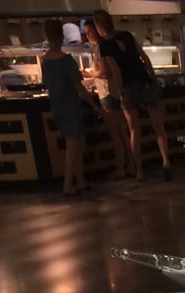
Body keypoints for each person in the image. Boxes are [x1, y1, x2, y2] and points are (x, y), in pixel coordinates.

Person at [91, 8, 172, 181]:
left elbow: (116, 70)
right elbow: (144, 57)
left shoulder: (104, 46)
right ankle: (166, 162)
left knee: (134, 130)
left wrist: (121, 92)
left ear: (98, 26)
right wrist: (154, 78)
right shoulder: (127, 35)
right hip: (144, 81)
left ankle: (139, 171)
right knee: (158, 127)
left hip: (128, 87)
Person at [41, 18, 103, 196]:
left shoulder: (45, 61)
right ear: (61, 36)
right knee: (74, 148)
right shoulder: (66, 60)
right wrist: (95, 106)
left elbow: (46, 84)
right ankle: (68, 185)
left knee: (76, 144)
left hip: (57, 105)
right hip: (70, 106)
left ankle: (80, 181)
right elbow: (79, 87)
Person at [83, 19, 134, 179]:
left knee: (115, 134)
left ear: (98, 30)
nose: (88, 36)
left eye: (90, 31)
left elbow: (105, 73)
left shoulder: (101, 48)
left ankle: (121, 168)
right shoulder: (107, 46)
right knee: (123, 132)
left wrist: (88, 73)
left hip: (107, 94)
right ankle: (131, 165)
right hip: (116, 92)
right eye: (86, 33)